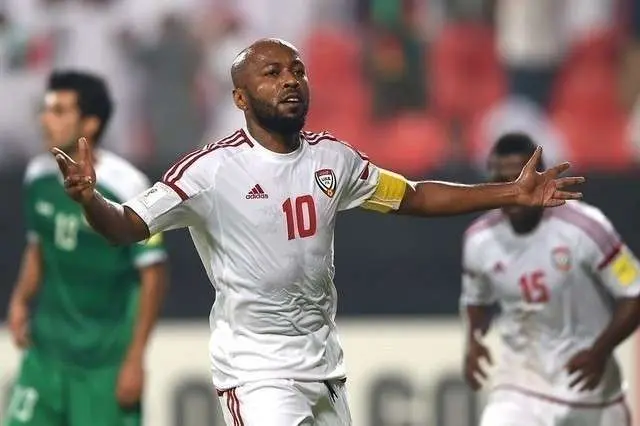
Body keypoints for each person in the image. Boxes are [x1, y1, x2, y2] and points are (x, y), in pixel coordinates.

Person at [51, 39, 583, 426]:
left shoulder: (334, 159)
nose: (289, 80)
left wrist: (510, 193)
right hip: (256, 370)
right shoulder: (209, 171)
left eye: (297, 70)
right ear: (240, 98)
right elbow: (125, 228)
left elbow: (414, 196)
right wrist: (89, 200)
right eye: (271, 73)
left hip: (323, 365)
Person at [5, 71, 168, 426]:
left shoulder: (129, 185)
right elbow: (39, 247)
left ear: (90, 123)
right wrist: (19, 300)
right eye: (46, 109)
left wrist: (135, 358)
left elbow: (152, 275)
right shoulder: (37, 176)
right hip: (45, 355)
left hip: (103, 363)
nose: (45, 119)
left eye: (59, 110)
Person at [460, 133, 640, 426]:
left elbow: (634, 291)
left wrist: (600, 350)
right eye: (502, 180)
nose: (513, 189)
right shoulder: (479, 240)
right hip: (519, 385)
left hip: (588, 389)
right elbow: (475, 299)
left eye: (519, 178)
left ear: (539, 176)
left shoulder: (585, 227)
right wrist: (473, 341)